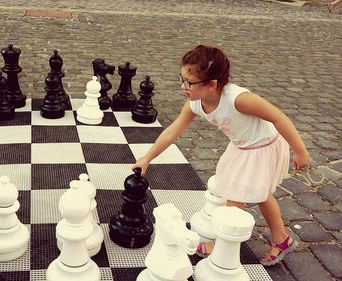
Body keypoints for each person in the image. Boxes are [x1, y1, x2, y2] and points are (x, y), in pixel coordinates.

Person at [132, 45, 310, 266]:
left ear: (212, 85)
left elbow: (278, 117)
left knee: (236, 195)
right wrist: (147, 158)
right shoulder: (195, 103)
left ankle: (219, 244)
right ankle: (282, 239)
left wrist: (300, 151)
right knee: (261, 193)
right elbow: (171, 132)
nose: (183, 86)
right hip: (242, 146)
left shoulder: (238, 99)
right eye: (182, 78)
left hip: (262, 147)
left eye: (189, 82)